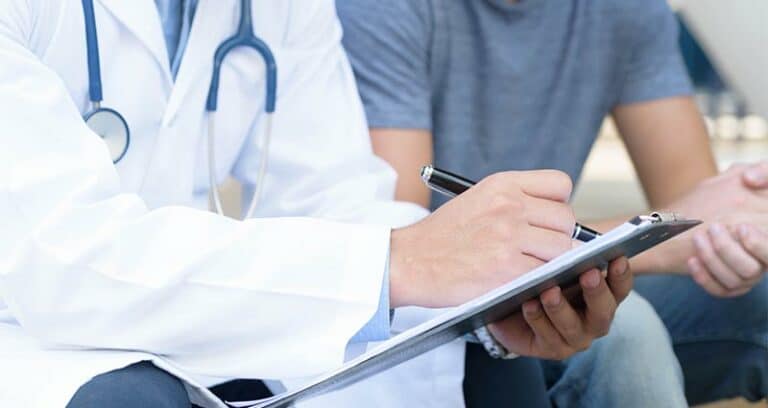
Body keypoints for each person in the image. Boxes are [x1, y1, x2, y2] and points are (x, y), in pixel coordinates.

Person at [0, 1, 632, 407]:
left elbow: (336, 198)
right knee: (133, 402)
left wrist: (486, 300)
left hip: (195, 313)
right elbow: (60, 258)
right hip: (27, 335)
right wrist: (401, 261)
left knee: (488, 364)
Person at [337, 0, 768, 406]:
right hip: (430, 321)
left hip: (555, 280)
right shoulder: (384, 9)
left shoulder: (621, 8)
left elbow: (697, 206)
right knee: (628, 333)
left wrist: (739, 227)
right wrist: (650, 240)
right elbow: (401, 254)